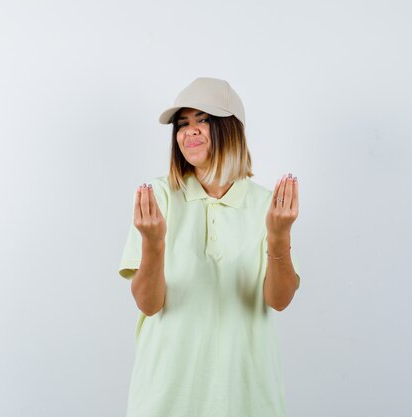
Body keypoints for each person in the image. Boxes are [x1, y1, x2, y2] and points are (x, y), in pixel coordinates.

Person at [118, 77, 301, 417]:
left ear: (230, 129)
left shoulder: (265, 204)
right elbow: (148, 303)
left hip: (246, 393)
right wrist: (154, 244)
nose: (190, 131)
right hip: (167, 394)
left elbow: (279, 300)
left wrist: (278, 238)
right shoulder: (158, 197)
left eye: (203, 120)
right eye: (183, 124)